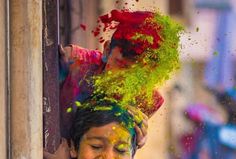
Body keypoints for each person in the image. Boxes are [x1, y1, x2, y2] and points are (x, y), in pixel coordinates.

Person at [60, 9, 183, 140]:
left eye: (142, 76)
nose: (128, 80)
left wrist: (136, 141)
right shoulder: (74, 61)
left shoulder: (147, 101)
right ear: (107, 51)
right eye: (123, 65)